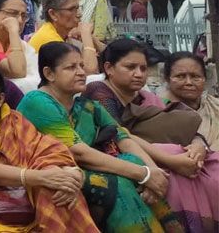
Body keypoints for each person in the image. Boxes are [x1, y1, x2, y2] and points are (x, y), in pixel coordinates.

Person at [16, 42, 184, 233]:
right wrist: (143, 174)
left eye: (81, 65)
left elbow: (122, 137)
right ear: (49, 74)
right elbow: (78, 153)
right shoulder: (37, 101)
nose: (81, 72)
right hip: (52, 174)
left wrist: (153, 174)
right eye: (71, 67)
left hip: (83, 170)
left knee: (132, 160)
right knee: (119, 182)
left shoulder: (86, 106)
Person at [83, 40, 219, 232]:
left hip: (163, 158)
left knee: (212, 167)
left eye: (143, 68)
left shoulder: (146, 97)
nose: (139, 74)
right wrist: (172, 162)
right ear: (109, 68)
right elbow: (119, 135)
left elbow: (186, 125)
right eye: (130, 67)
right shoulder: (100, 91)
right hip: (117, 159)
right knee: (171, 153)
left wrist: (198, 147)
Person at [0, 64, 97, 232]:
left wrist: (71, 172)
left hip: (22, 195)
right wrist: (39, 177)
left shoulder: (15, 121)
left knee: (61, 189)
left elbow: (45, 148)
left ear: (0, 99)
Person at [28, 0, 101, 73]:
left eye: (77, 9)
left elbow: (111, 55)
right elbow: (88, 71)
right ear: (53, 14)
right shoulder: (49, 39)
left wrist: (92, 39)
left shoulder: (61, 34)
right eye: (71, 9)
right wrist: (86, 34)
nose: (79, 14)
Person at [163, 52, 219, 155]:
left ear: (204, 79)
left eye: (195, 76)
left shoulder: (215, 107)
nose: (189, 82)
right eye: (180, 76)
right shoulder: (157, 110)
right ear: (167, 79)